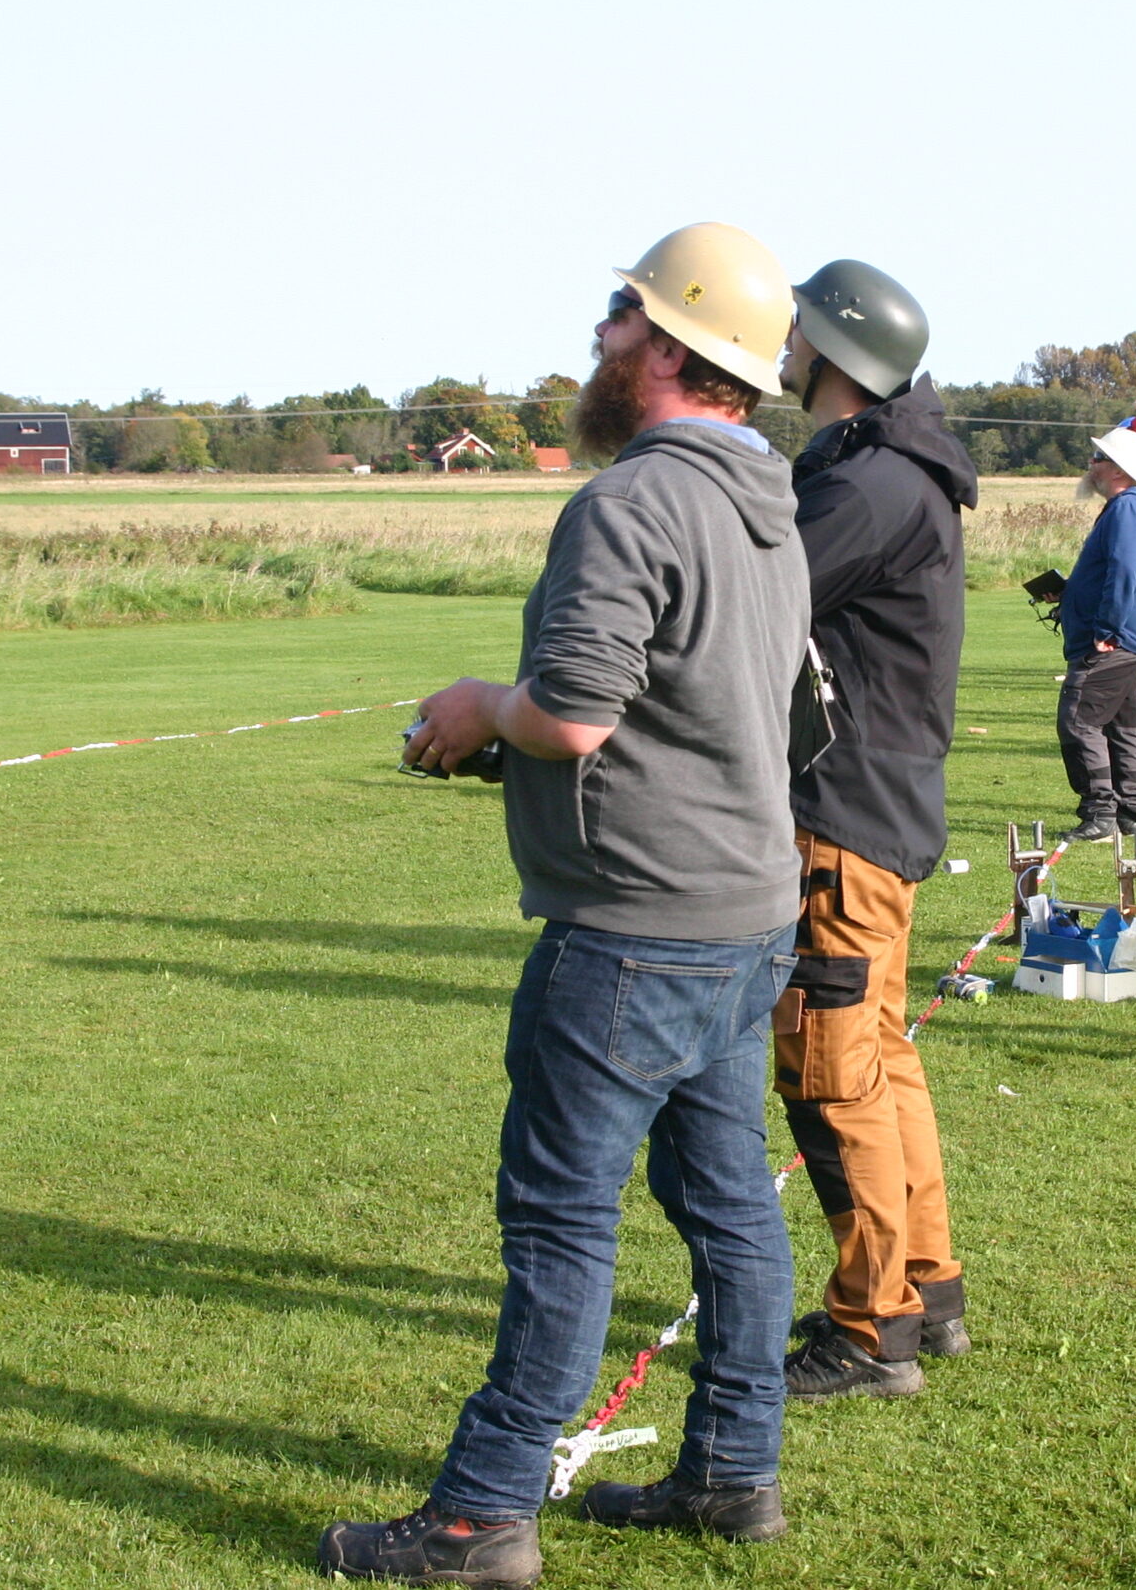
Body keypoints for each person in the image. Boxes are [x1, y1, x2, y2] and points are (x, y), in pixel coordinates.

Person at [321, 223, 807, 1586]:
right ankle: (731, 1470)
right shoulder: (768, 502)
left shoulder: (629, 504)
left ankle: (478, 1518)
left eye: (619, 312)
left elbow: (580, 714)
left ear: (669, 347)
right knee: (730, 1208)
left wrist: (483, 709)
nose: (599, 335)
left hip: (637, 930)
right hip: (741, 914)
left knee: (561, 1221)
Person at [769, 258, 978, 1401]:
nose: (782, 350)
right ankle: (924, 1288)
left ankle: (870, 1329)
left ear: (831, 352)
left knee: (830, 1071)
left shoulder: (870, 488)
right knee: (883, 1060)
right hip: (881, 807)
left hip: (841, 816)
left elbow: (756, 604)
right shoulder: (895, 471)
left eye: (795, 332)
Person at [1054, 415, 1136, 843]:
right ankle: (1131, 807)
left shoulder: (1128, 507)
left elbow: (1125, 571)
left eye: (1099, 458)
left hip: (1111, 641)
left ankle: (1100, 811)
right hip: (1127, 637)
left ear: (1119, 469)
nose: (1091, 464)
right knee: (1122, 721)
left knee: (1079, 720)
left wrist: (1107, 628)